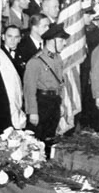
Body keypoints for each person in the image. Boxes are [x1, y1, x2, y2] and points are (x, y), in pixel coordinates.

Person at [23, 23, 69, 156]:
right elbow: (29, 89)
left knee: (50, 138)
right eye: (61, 40)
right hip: (41, 102)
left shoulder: (58, 59)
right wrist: (32, 112)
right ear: (50, 41)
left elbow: (59, 83)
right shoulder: (36, 61)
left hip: (54, 101)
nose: (64, 43)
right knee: (36, 140)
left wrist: (60, 104)